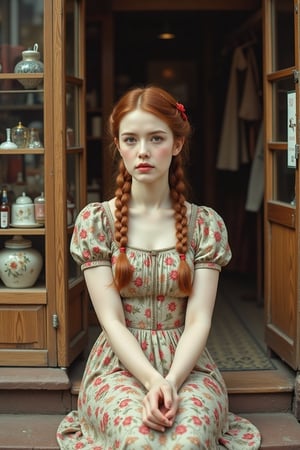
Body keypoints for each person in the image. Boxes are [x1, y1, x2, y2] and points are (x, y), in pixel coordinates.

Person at [57, 86, 261, 449]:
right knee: (139, 438)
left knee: (187, 439)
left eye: (156, 138)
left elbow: (199, 320)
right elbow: (112, 321)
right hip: (118, 366)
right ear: (118, 145)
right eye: (131, 139)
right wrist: (152, 380)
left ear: (177, 144)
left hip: (188, 367)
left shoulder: (204, 225)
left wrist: (170, 380)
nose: (144, 152)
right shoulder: (97, 222)